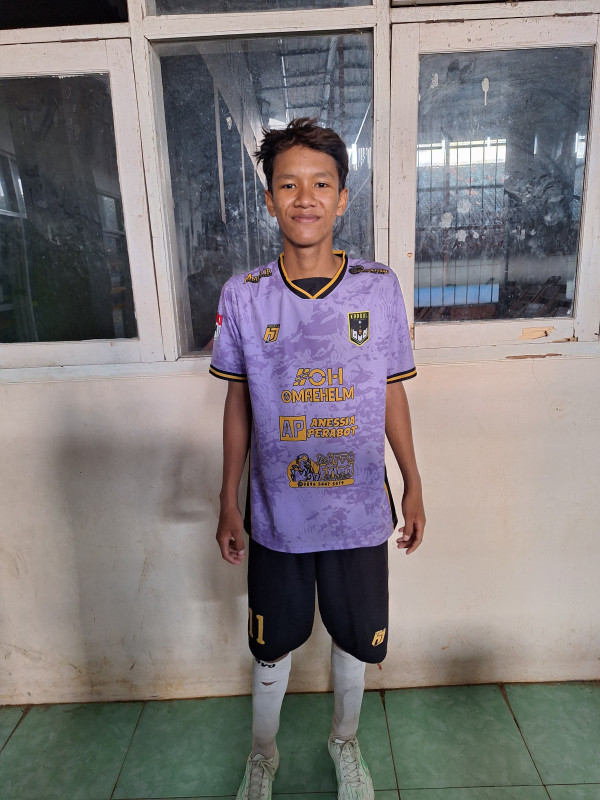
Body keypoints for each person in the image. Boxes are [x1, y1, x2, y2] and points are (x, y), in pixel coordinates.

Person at [210, 117, 425, 800]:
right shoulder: (245, 294)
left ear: (342, 198)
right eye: (288, 185)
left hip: (358, 509)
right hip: (278, 512)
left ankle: (344, 743)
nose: (305, 198)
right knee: (272, 644)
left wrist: (413, 482)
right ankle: (263, 754)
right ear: (268, 200)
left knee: (356, 638)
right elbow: (238, 403)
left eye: (321, 184)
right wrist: (228, 500)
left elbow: (390, 391)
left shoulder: (377, 287)